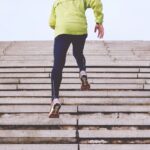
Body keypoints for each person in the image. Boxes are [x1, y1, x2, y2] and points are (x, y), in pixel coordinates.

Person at [48, 0, 104, 118]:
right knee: (78, 53)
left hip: (63, 30)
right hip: (80, 29)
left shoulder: (56, 2)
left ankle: (55, 99)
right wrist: (99, 21)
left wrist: (61, 23)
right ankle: (82, 71)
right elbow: (96, 2)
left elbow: (51, 22)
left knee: (58, 65)